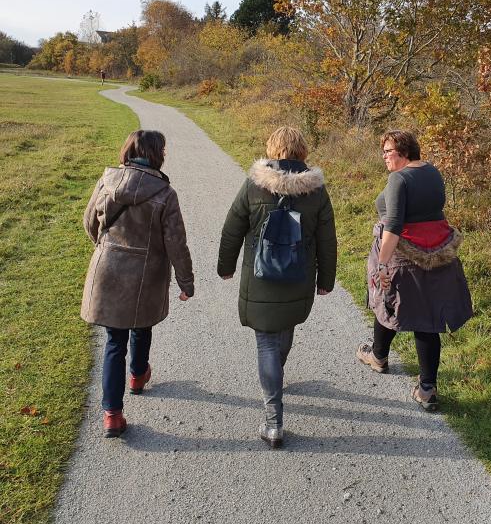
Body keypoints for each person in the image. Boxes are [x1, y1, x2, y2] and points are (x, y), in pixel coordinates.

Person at [217, 126, 337, 448]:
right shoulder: (316, 191)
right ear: (302, 152)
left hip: (260, 279)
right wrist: (326, 280)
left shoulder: (255, 185)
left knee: (266, 344)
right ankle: (276, 378)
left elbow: (232, 229)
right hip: (298, 279)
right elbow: (327, 239)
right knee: (283, 333)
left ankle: (273, 422)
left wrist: (225, 267)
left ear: (272, 150)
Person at [81, 130, 194, 437]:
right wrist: (186, 281)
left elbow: (89, 222)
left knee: (114, 341)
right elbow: (176, 243)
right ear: (158, 154)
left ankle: (112, 415)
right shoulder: (165, 194)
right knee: (142, 325)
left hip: (108, 268)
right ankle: (137, 376)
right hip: (146, 273)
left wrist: (106, 249)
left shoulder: (107, 181)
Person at [356, 130, 472, 411]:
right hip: (437, 250)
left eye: (388, 151)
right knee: (427, 318)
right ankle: (427, 389)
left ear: (404, 152)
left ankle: (379, 357)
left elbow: (393, 224)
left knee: (386, 301)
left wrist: (382, 263)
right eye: (383, 151)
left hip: (403, 253)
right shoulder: (432, 171)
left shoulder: (399, 178)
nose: (384, 156)